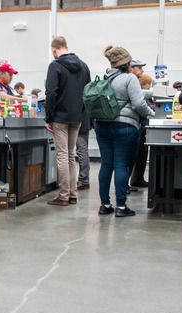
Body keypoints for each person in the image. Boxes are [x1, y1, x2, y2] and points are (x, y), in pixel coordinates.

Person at [95, 46, 154, 217]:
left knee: (106, 165)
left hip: (102, 126)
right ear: (127, 63)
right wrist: (152, 114)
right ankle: (121, 207)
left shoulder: (104, 77)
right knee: (121, 164)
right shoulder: (129, 78)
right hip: (125, 127)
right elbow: (138, 104)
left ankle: (105, 205)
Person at [44, 36, 90, 206]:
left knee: (62, 156)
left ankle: (63, 196)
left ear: (54, 49)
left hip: (61, 118)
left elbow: (51, 93)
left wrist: (49, 117)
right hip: (77, 117)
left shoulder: (55, 65)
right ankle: (73, 194)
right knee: (71, 156)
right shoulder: (84, 66)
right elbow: (88, 93)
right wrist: (81, 112)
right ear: (66, 47)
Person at [129, 73, 154, 189]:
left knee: (142, 155)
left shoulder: (146, 96)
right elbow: (144, 108)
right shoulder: (141, 96)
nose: (149, 86)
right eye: (147, 83)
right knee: (138, 156)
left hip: (143, 128)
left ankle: (138, 178)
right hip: (141, 127)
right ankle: (135, 179)